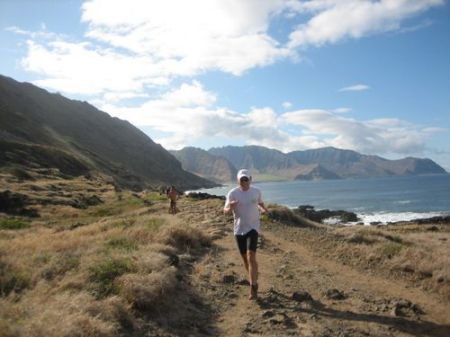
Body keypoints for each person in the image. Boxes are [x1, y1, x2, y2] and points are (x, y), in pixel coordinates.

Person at [223, 169, 269, 300]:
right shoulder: (232, 193)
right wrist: (230, 207)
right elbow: (225, 211)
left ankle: (253, 287)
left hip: (253, 228)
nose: (244, 182)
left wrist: (264, 209)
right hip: (239, 230)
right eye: (241, 179)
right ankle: (253, 277)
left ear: (250, 179)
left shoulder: (256, 191)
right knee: (245, 260)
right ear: (238, 180)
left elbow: (259, 203)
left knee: (250, 256)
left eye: (246, 179)